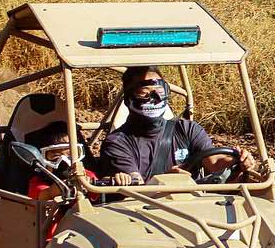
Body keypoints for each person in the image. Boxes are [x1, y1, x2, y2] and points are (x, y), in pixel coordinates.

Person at [99, 66, 261, 186]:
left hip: (195, 205)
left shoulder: (186, 129)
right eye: (144, 94)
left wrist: (239, 160)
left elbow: (213, 161)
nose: (154, 99)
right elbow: (136, 187)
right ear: (129, 99)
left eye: (159, 93)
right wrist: (167, 180)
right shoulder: (117, 142)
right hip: (144, 213)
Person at [25, 121, 97, 201]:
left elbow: (100, 193)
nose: (63, 161)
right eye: (55, 156)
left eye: (70, 155)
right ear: (42, 158)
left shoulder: (87, 175)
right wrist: (55, 191)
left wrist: (90, 185)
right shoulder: (38, 182)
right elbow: (43, 195)